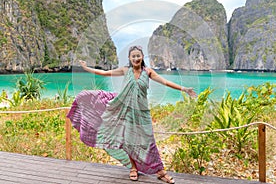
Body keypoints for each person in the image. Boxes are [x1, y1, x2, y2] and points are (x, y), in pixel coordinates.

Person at [67, 45, 197, 183]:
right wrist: (87, 68)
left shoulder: (148, 72)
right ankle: (133, 168)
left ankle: (160, 171)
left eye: (138, 56)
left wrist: (184, 89)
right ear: (129, 58)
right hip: (125, 110)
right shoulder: (126, 70)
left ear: (142, 57)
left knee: (149, 141)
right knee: (128, 141)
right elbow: (105, 73)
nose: (136, 58)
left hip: (142, 113)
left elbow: (165, 82)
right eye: (133, 56)